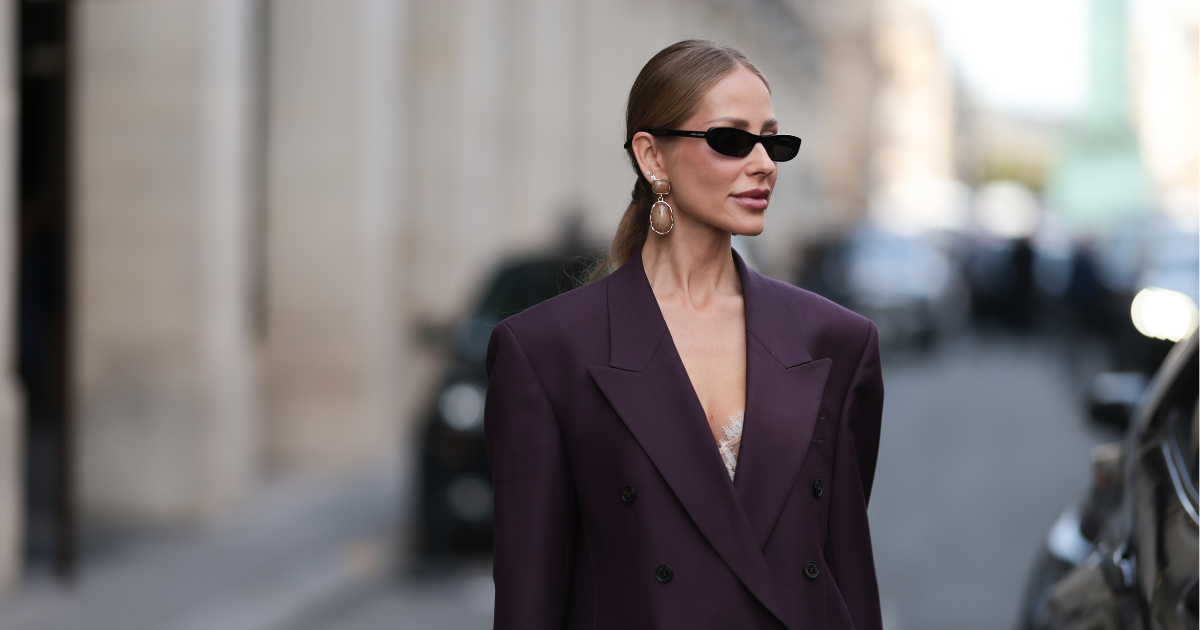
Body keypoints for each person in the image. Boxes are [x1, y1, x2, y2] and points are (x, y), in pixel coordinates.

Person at [484, 39, 884, 629]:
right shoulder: (546, 352)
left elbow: (846, 570)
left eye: (773, 140)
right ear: (652, 157)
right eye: (731, 139)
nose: (764, 164)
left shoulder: (837, 340)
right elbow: (530, 602)